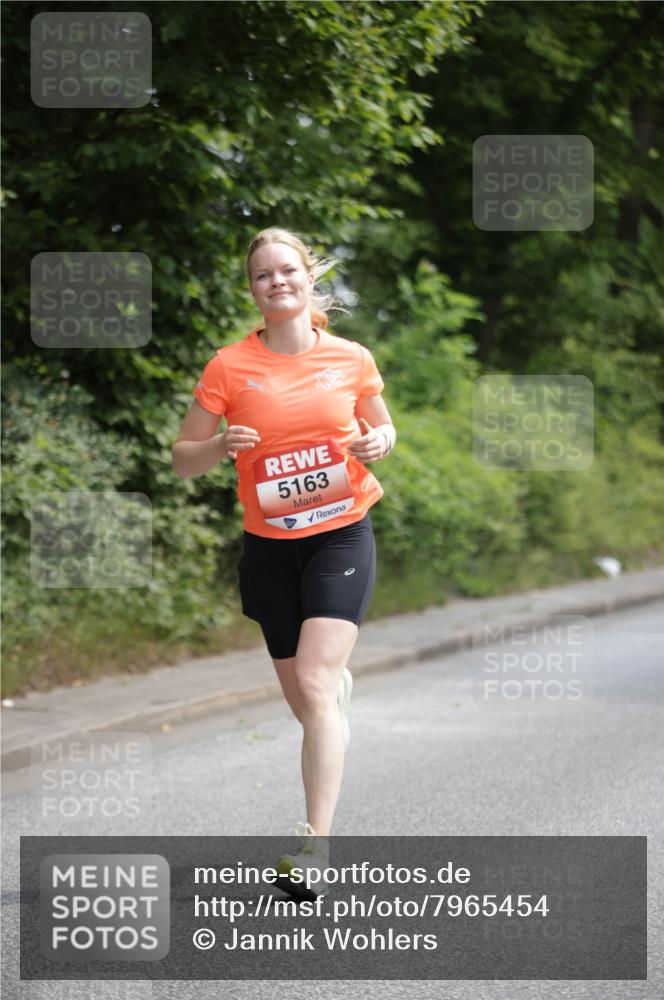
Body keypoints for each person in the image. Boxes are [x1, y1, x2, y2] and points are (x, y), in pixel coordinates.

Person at [172, 227, 396, 896]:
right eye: (264, 274)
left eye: (287, 270)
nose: (277, 281)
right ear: (254, 289)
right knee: (307, 697)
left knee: (314, 681)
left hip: (339, 535)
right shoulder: (227, 367)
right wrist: (221, 446)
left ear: (308, 279)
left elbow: (380, 426)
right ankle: (331, 698)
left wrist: (377, 441)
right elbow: (183, 458)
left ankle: (313, 848)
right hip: (269, 547)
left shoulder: (350, 358)